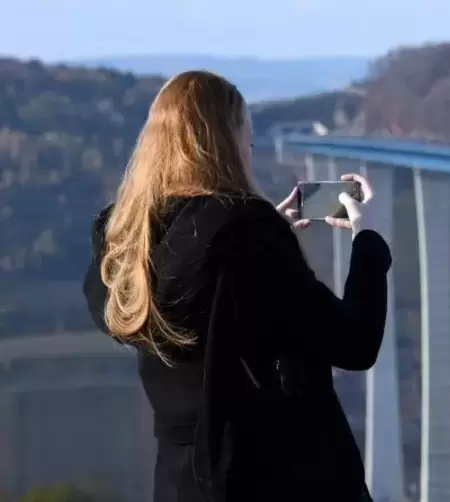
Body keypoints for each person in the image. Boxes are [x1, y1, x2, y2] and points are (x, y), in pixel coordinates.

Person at [82, 70, 391, 502]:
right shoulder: (247, 235)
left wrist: (270, 238)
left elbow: (206, 286)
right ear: (226, 146)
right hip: (271, 476)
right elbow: (356, 342)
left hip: (180, 483)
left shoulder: (126, 240)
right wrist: (368, 240)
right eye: (246, 141)